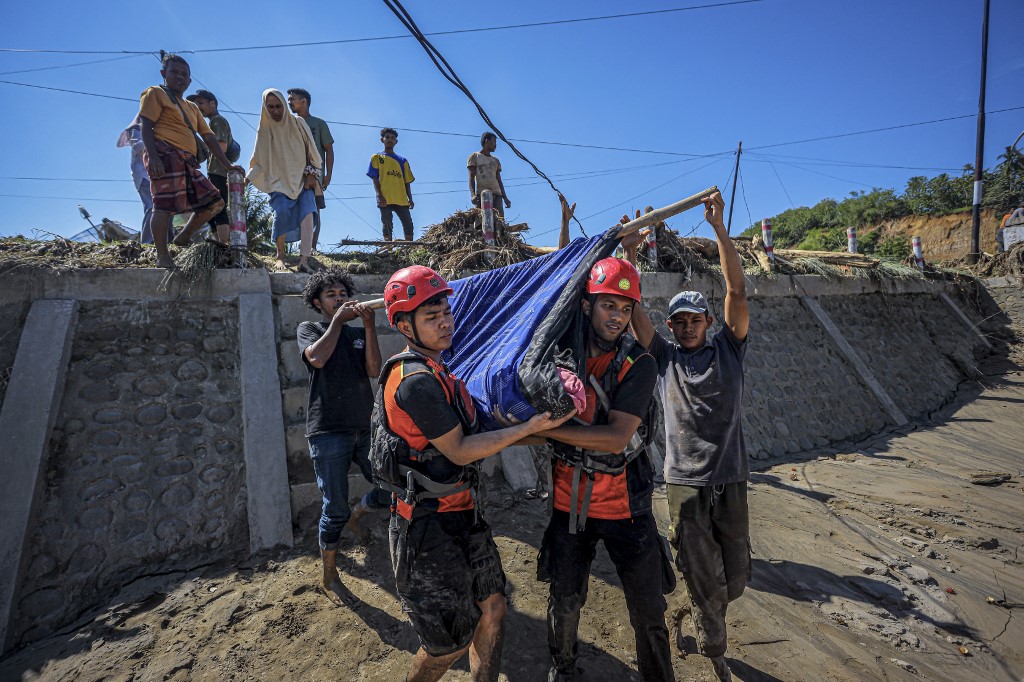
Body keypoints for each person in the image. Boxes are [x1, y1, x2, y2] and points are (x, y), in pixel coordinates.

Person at [373, 265, 574, 682]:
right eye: (431, 316)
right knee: (448, 645)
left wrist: (546, 433)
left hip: (464, 513)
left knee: (494, 608)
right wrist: (526, 429)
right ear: (404, 325)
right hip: (426, 527)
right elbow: (461, 451)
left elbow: (478, 431)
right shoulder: (414, 383)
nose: (445, 322)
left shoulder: (442, 371)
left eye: (446, 311)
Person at [625, 191, 750, 682]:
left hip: (732, 477)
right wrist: (630, 254)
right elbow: (632, 306)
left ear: (708, 322)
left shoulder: (730, 350)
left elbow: (737, 293)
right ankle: (713, 646)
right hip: (685, 483)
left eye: (695, 319)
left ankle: (704, 617)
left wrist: (719, 229)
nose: (687, 326)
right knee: (701, 574)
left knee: (735, 576)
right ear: (672, 326)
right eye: (679, 321)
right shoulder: (663, 357)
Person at [533, 256, 673, 682]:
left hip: (626, 506)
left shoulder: (639, 363)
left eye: (626, 308)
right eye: (609, 306)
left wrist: (544, 432)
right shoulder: (561, 353)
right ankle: (564, 669)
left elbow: (615, 438)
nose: (617, 317)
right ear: (587, 305)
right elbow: (554, 292)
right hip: (569, 503)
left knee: (648, 610)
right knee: (565, 598)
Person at [299, 268, 392, 605]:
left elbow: (372, 370)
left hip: (364, 426)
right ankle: (330, 571)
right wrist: (337, 322)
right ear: (317, 302)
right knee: (333, 507)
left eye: (342, 294)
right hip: (327, 431)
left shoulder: (355, 332)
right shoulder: (311, 330)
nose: (339, 299)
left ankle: (359, 515)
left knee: (391, 488)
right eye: (331, 296)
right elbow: (318, 359)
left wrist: (368, 326)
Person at [138, 52, 243, 268]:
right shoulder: (155, 94)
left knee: (214, 202)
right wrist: (154, 157)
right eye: (174, 72)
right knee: (163, 206)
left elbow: (209, 137)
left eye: (184, 74)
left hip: (187, 160)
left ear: (189, 80)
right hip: (164, 153)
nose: (180, 77)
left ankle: (183, 236)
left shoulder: (191, 107)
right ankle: (162, 256)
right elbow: (145, 125)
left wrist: (227, 165)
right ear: (163, 73)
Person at [247, 88, 321, 273]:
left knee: (308, 215)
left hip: (303, 180)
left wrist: (312, 174)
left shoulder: (298, 123)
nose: (275, 111)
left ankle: (304, 260)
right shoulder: (265, 129)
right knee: (281, 212)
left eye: (279, 106)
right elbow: (259, 159)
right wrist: (245, 180)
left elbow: (313, 152)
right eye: (270, 107)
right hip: (278, 181)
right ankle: (280, 256)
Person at [287, 88, 334, 252]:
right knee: (293, 208)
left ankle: (311, 247)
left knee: (314, 209)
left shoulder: (318, 123)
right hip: (293, 175)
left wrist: (328, 174)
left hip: (314, 174)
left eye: (292, 99)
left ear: (304, 101)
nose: (289, 102)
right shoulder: (289, 123)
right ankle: (298, 248)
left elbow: (328, 149)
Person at [186, 89, 234, 243]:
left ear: (212, 103)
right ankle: (217, 243)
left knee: (217, 207)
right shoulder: (212, 122)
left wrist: (203, 145)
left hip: (219, 170)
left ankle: (223, 244)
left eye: (201, 103)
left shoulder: (217, 121)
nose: (198, 107)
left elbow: (222, 146)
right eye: (196, 104)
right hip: (214, 169)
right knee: (210, 208)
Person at [367, 128, 415, 242]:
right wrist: (379, 195)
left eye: (393, 138)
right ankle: (388, 248)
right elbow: (375, 178)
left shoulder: (403, 161)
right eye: (387, 137)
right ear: (382, 140)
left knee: (408, 224)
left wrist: (410, 198)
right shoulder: (377, 157)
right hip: (385, 197)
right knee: (387, 224)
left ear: (396, 142)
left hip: (402, 198)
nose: (390, 140)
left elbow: (407, 181)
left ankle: (409, 248)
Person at [116, 116, 153, 244]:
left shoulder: (155, 128)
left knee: (165, 208)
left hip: (157, 174)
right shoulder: (135, 128)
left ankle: (166, 240)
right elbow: (138, 146)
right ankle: (148, 242)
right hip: (143, 174)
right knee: (152, 207)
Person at [468, 132, 511, 219]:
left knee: (499, 221)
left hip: (497, 195)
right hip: (482, 195)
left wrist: (505, 198)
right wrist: (473, 195)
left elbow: (499, 180)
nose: (495, 145)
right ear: (487, 141)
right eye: (494, 141)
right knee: (483, 220)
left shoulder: (496, 161)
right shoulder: (475, 157)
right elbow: (471, 178)